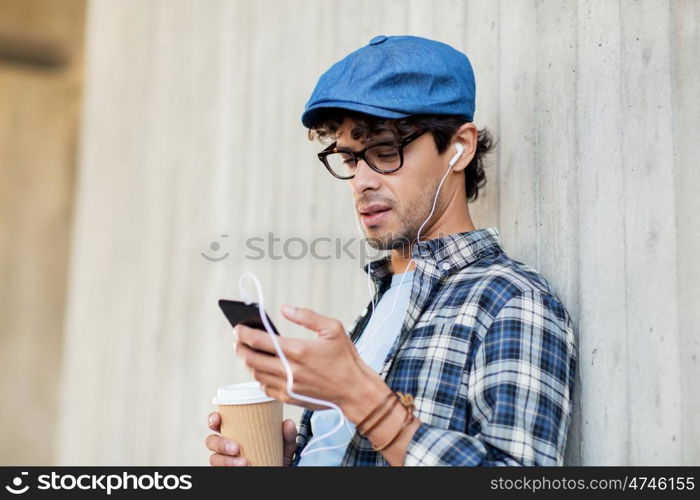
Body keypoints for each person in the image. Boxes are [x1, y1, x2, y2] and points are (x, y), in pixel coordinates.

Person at [205, 35, 577, 466]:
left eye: (384, 152)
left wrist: (365, 401)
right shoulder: (377, 310)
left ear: (460, 147)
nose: (361, 181)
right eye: (349, 159)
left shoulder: (511, 300)